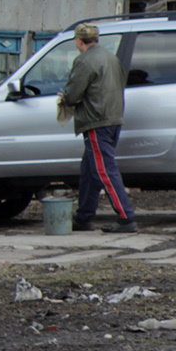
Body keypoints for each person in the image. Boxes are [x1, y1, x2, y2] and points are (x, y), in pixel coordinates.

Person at [59, 22, 138, 233]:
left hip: (96, 121)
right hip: (114, 118)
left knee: (104, 170)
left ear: (78, 41)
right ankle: (84, 217)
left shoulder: (84, 61)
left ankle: (126, 217)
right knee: (89, 170)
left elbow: (74, 94)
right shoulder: (112, 58)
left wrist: (65, 98)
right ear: (96, 39)